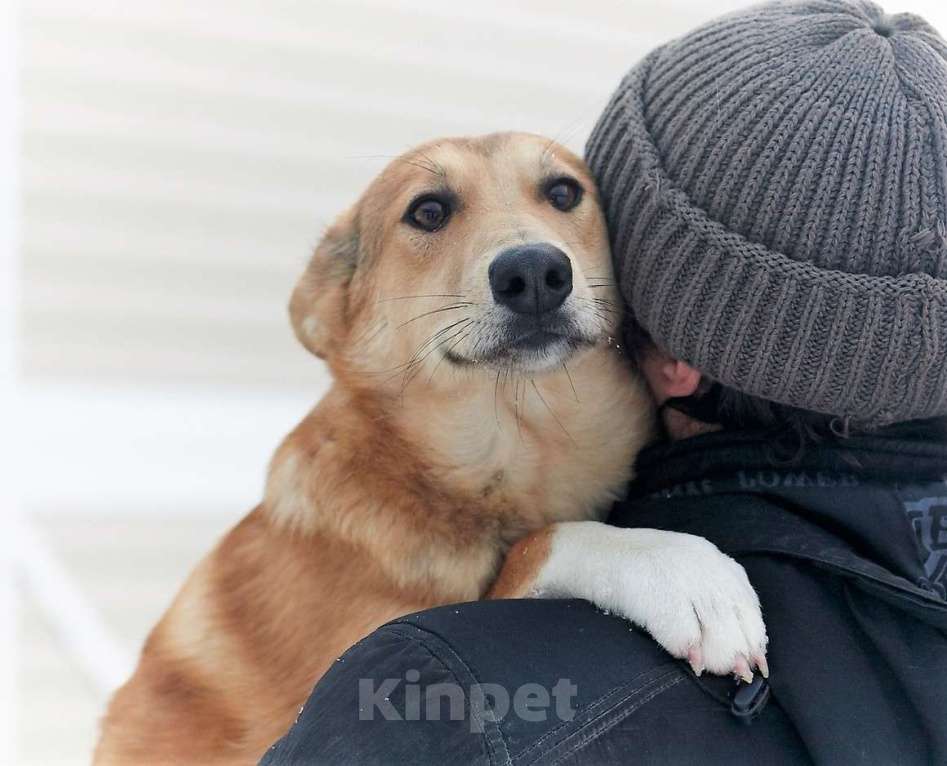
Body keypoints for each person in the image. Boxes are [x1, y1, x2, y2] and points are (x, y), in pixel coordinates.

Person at [261, 1, 947, 763]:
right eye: (432, 210)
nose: (527, 255)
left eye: (561, 197)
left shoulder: (439, 701)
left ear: (671, 348)